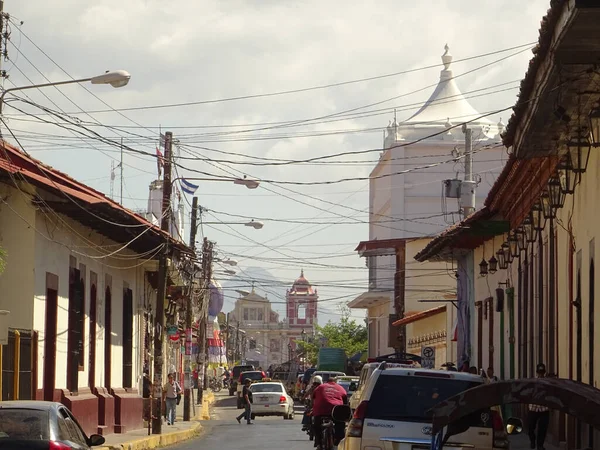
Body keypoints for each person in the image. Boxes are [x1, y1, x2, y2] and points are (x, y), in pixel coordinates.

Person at [312, 376, 348, 447]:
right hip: (336, 410)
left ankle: (318, 442)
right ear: (335, 382)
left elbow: (313, 397)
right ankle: (338, 441)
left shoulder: (320, 387)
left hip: (321, 410)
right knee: (340, 424)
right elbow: (345, 402)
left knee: (316, 424)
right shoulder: (340, 388)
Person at [528, 363, 550, 450]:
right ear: (537, 372)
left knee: (543, 428)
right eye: (539, 373)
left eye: (542, 373)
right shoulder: (532, 382)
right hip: (533, 408)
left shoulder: (548, 383)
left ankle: (540, 445)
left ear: (544, 373)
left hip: (544, 408)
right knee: (530, 427)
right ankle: (532, 440)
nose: (541, 374)